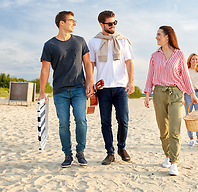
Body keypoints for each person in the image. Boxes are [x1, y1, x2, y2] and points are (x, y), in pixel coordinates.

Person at [39, 11, 94, 168]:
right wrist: (42, 92)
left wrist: (90, 82)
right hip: (60, 90)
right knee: (63, 123)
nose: (74, 23)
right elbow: (45, 69)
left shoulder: (80, 41)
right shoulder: (49, 45)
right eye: (71, 21)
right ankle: (67, 154)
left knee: (81, 120)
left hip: (79, 88)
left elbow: (87, 63)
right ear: (61, 23)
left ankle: (80, 152)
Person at [144, 26, 198, 176]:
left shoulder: (179, 54)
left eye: (158, 35)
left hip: (176, 94)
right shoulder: (154, 56)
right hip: (159, 93)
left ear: (167, 37)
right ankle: (168, 156)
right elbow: (150, 75)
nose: (156, 37)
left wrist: (192, 94)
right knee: (164, 129)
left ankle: (174, 162)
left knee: (175, 129)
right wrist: (147, 94)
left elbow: (185, 76)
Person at [88, 10, 134, 165]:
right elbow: (91, 64)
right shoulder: (93, 42)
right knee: (105, 122)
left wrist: (131, 82)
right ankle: (110, 152)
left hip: (120, 86)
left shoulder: (123, 41)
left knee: (123, 119)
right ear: (101, 24)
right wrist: (90, 83)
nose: (113, 25)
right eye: (109, 23)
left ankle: (122, 148)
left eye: (115, 22)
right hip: (102, 88)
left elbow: (129, 62)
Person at [184, 53, 198, 147]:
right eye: (193, 59)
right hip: (188, 95)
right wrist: (182, 97)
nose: (195, 61)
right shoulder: (186, 71)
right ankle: (191, 138)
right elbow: (182, 84)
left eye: (196, 59)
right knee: (189, 117)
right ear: (190, 61)